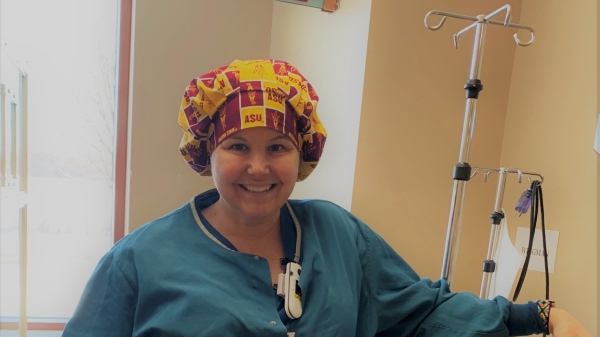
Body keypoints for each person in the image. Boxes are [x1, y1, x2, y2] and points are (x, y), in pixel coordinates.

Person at [62, 59, 592, 336]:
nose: (258, 166)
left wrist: (538, 316)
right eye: (237, 146)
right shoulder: (139, 261)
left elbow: (422, 313)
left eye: (278, 146)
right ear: (206, 151)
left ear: (303, 152)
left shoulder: (337, 235)